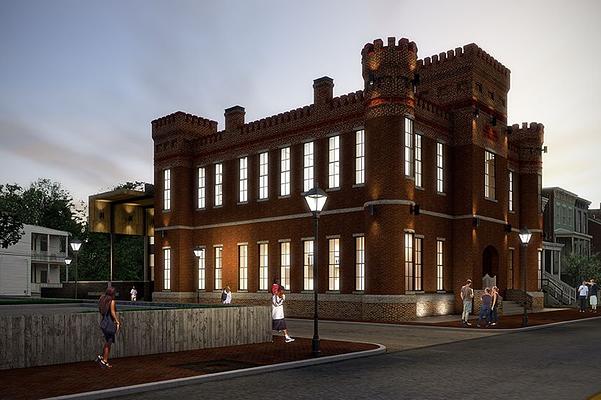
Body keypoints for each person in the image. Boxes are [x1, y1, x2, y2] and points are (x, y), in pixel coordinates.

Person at [96, 287, 121, 368]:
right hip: (109, 323)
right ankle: (104, 361)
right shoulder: (112, 301)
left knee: (107, 341)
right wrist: (117, 321)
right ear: (112, 293)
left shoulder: (102, 299)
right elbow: (113, 312)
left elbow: (101, 310)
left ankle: (102, 357)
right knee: (109, 342)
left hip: (104, 322)